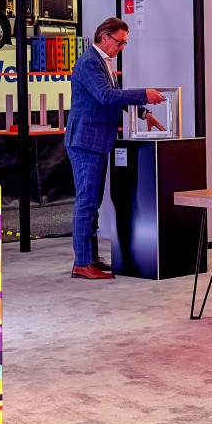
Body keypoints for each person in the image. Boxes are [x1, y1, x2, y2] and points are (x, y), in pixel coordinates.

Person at [66, 17, 165, 279]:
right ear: (104, 37)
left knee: (93, 203)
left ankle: (90, 259)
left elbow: (115, 99)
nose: (121, 48)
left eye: (124, 44)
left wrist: (144, 114)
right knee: (87, 203)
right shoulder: (89, 62)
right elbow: (106, 96)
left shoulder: (104, 63)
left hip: (96, 141)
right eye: (120, 42)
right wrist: (144, 94)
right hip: (86, 141)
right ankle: (82, 263)